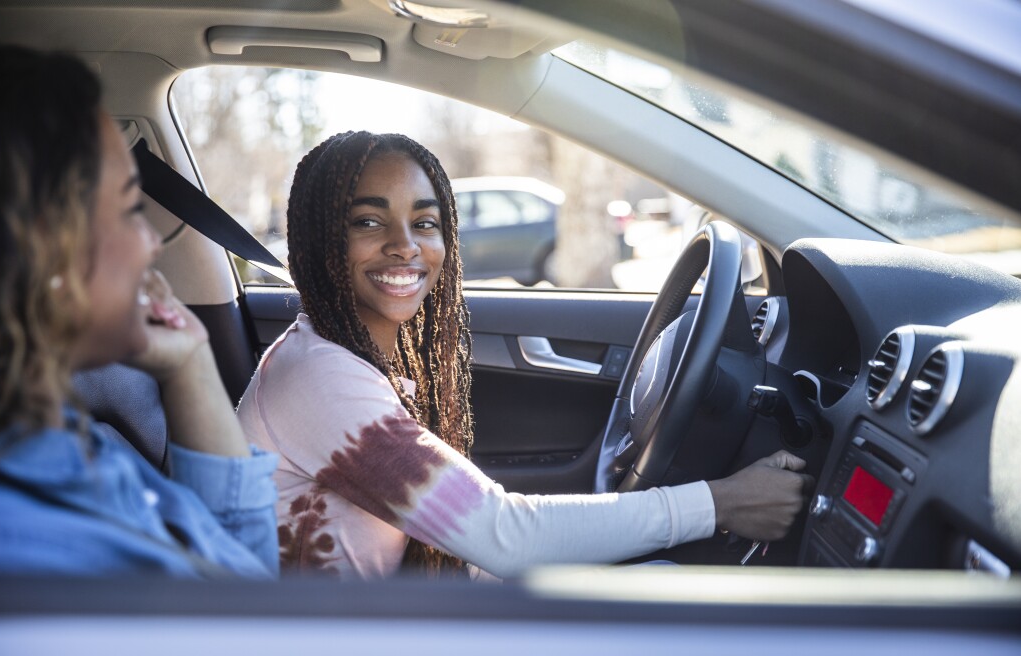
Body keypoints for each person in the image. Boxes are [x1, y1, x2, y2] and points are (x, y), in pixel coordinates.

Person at [237, 130, 811, 580]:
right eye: (368, 221)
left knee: (657, 589)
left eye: (425, 222)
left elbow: (480, 549)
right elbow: (502, 534)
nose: (405, 245)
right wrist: (721, 504)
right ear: (319, 239)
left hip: (365, 634)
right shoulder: (319, 378)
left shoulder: (342, 358)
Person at [0, 42, 279, 578]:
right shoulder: (32, 554)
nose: (150, 244)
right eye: (127, 210)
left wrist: (187, 361)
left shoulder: (72, 441)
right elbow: (247, 611)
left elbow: (241, 576)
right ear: (42, 249)